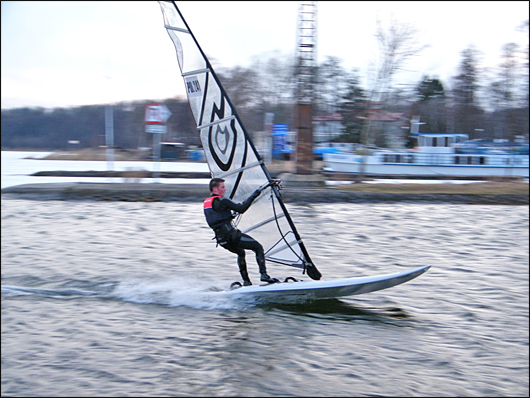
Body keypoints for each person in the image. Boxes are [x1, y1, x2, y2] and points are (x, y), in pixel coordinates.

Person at [203, 178, 276, 286]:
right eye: (222, 187)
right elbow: (241, 208)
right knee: (258, 247)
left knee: (241, 253)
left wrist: (229, 215)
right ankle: (263, 275)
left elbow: (217, 218)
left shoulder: (207, 203)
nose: (225, 189)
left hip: (222, 240)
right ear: (215, 189)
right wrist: (255, 194)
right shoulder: (222, 200)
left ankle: (246, 282)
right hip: (232, 236)